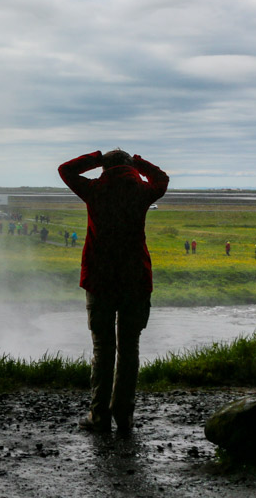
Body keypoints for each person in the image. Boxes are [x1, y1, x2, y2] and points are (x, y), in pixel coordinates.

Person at [59, 148, 168, 434]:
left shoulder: (95, 189)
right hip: (135, 278)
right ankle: (124, 416)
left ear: (105, 167)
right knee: (129, 348)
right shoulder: (141, 191)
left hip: (99, 278)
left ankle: (99, 415)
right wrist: (140, 163)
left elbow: (65, 170)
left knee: (103, 348)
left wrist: (96, 159)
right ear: (129, 166)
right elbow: (162, 179)